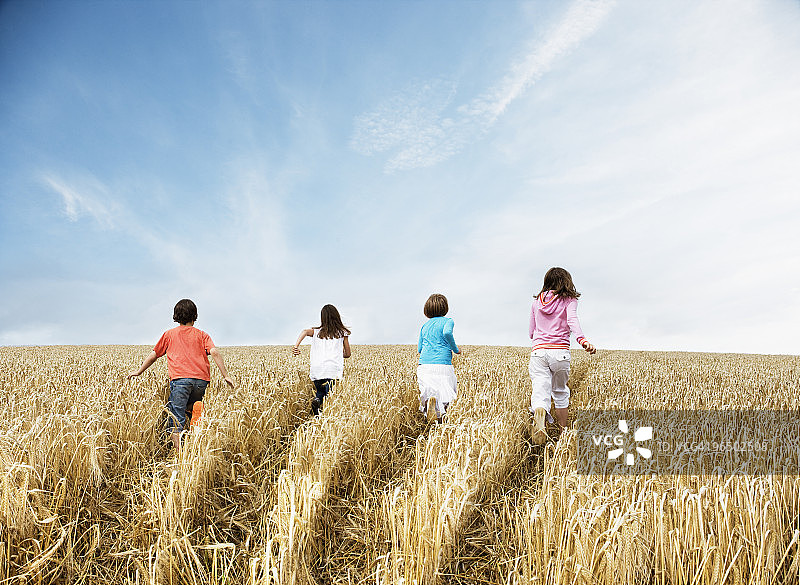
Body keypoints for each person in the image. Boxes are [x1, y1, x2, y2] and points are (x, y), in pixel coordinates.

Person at [128, 299, 235, 453]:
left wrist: (139, 371)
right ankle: (197, 413)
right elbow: (215, 352)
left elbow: (154, 355)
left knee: (175, 415)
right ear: (195, 316)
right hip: (201, 381)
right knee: (189, 406)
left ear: (176, 316)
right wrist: (226, 375)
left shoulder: (169, 334)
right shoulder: (202, 335)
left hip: (180, 380)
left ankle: (180, 454)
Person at [528, 267, 595, 444]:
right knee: (560, 392)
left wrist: (540, 335)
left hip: (539, 351)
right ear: (566, 282)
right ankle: (563, 432)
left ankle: (540, 409)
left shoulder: (537, 302)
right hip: (559, 352)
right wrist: (582, 340)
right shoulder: (569, 300)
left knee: (540, 388)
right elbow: (572, 320)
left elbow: (531, 331)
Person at [292, 304, 351, 415]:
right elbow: (348, 354)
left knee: (320, 391)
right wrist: (337, 353)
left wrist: (296, 346)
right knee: (330, 398)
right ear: (336, 316)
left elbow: (304, 331)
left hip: (317, 369)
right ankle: (326, 419)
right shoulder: (342, 333)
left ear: (322, 318)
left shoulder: (316, 332)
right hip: (333, 370)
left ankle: (317, 404)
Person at [417, 293, 460, 422]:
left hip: (425, 365)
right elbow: (447, 332)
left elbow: (419, 348)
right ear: (445, 308)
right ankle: (442, 422)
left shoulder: (424, 326)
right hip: (443, 363)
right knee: (446, 392)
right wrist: (455, 349)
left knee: (429, 391)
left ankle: (430, 412)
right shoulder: (448, 321)